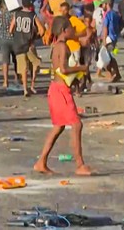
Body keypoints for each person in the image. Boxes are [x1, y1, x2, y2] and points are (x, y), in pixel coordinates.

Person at [34, 16, 91, 176]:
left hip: (56, 89)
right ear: (65, 30)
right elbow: (63, 69)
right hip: (60, 90)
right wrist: (81, 68)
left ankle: (41, 162)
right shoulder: (63, 47)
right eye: (72, 28)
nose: (74, 31)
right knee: (77, 124)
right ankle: (80, 164)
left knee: (59, 126)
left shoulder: (57, 45)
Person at [9, 0, 45, 97]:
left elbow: (11, 29)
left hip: (18, 45)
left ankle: (25, 89)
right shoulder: (32, 15)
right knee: (36, 63)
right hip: (29, 44)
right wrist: (35, 36)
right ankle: (32, 85)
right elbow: (42, 30)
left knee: (23, 68)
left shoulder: (16, 14)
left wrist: (16, 36)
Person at [0, 2, 18, 89]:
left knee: (5, 61)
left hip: (3, 38)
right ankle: (17, 78)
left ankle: (5, 81)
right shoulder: (14, 13)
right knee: (16, 60)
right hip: (14, 38)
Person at [101, 0, 122, 82]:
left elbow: (105, 28)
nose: (102, 6)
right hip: (114, 37)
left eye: (103, 4)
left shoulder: (108, 15)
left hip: (109, 38)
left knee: (106, 57)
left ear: (107, 4)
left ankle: (115, 74)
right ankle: (115, 74)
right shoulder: (115, 14)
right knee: (109, 57)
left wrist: (104, 40)